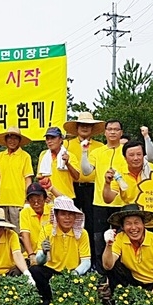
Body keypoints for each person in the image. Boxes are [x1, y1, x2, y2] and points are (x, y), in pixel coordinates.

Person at [81, 119, 127, 273]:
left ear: (121, 132)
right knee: (99, 238)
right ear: (105, 132)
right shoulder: (97, 152)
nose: (113, 132)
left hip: (123, 201)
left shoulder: (126, 150)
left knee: (122, 238)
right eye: (110, 129)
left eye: (116, 129)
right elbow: (86, 171)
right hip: (100, 202)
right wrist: (84, 152)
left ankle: (121, 272)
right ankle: (101, 272)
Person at [29, 196, 91, 305]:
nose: (67, 218)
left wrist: (74, 274)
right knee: (35, 270)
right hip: (51, 271)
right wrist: (43, 252)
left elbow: (86, 262)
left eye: (70, 214)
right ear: (56, 216)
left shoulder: (82, 233)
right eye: (63, 214)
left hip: (73, 272)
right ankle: (47, 299)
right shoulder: (47, 230)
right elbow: (39, 261)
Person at [63, 112, 105, 260]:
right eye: (82, 125)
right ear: (77, 127)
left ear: (93, 129)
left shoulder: (101, 147)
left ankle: (93, 259)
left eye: (88, 125)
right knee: (70, 222)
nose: (85, 128)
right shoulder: (66, 145)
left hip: (93, 188)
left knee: (92, 225)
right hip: (72, 187)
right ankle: (74, 258)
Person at [102, 140, 153, 236]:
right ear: (125, 157)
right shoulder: (119, 173)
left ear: (144, 156)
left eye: (139, 154)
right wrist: (107, 183)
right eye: (131, 155)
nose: (136, 158)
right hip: (132, 222)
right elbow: (108, 199)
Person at [0, 126, 34, 229]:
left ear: (19, 140)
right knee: (4, 233)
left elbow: (28, 179)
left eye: (15, 138)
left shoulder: (25, 156)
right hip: (2, 201)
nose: (12, 141)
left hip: (18, 201)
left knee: (19, 232)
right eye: (10, 138)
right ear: (5, 139)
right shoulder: (0, 156)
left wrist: (28, 199)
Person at [37, 127, 80, 200]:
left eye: (53, 138)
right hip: (48, 199)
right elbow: (40, 177)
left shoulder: (70, 156)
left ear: (60, 140)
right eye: (47, 139)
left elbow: (77, 177)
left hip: (66, 197)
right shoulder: (43, 155)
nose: (49, 141)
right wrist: (44, 193)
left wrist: (67, 164)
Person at [19, 183, 52, 265]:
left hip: (50, 254)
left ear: (45, 198)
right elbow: (25, 235)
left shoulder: (52, 210)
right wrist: (31, 255)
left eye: (39, 200)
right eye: (32, 201)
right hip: (32, 253)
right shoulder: (25, 212)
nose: (36, 204)